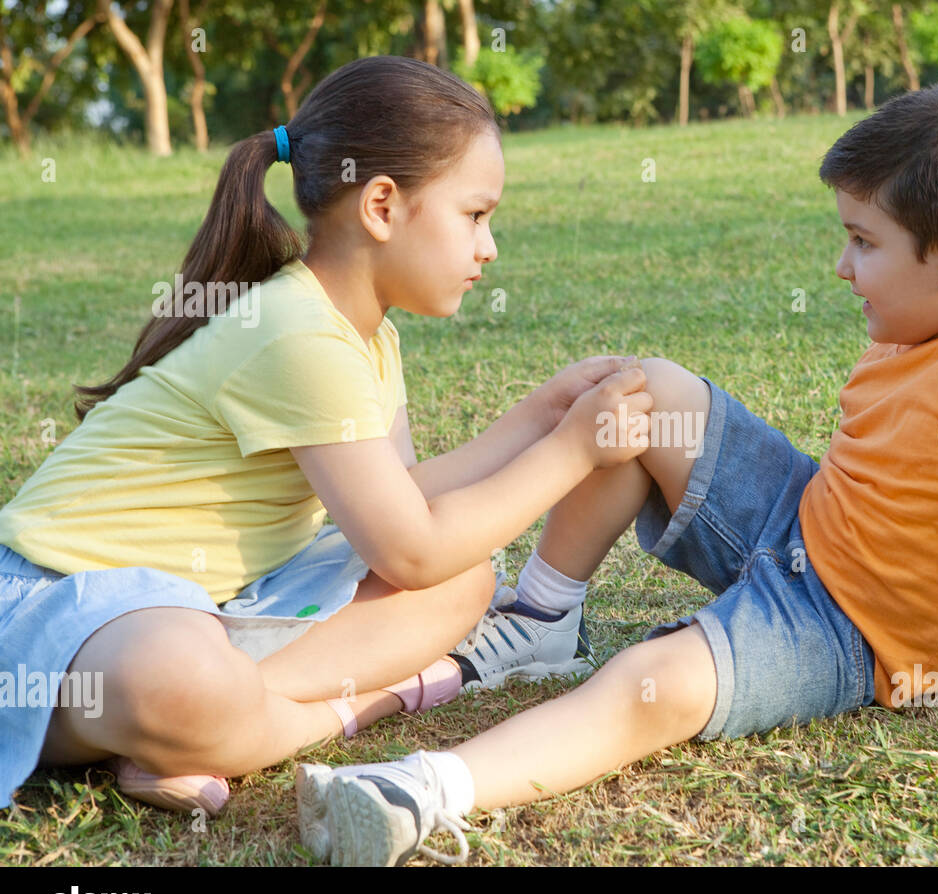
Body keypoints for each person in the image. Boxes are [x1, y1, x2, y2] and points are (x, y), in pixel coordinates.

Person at [297, 79, 938, 867]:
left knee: (659, 685)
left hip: (857, 635)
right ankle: (541, 620)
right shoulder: (921, 323)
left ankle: (422, 791)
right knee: (645, 395)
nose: (844, 267)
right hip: (800, 523)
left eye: (863, 242)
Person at [0, 56, 652, 817]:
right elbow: (408, 547)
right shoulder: (296, 332)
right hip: (60, 604)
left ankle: (208, 731)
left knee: (467, 580)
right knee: (180, 676)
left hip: (207, 601)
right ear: (382, 206)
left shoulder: (365, 335)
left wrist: (538, 418)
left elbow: (400, 508)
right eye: (476, 215)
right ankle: (353, 705)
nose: (489, 248)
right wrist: (571, 449)